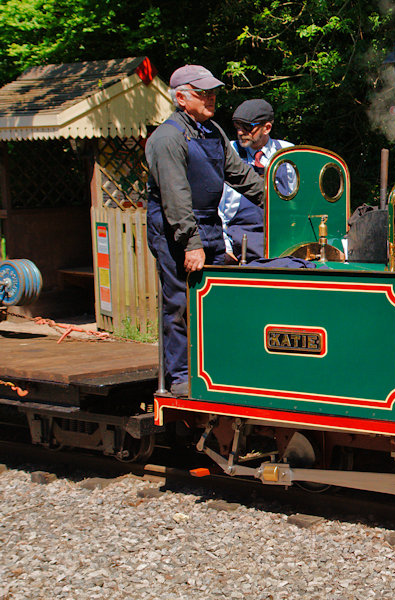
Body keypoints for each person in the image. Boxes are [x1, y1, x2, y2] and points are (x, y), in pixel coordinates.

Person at [145, 65, 265, 397]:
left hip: (209, 224)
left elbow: (240, 175)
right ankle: (181, 376)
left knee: (221, 295)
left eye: (213, 93)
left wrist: (280, 203)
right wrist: (191, 243)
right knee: (180, 301)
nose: (211, 99)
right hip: (175, 229)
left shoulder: (212, 131)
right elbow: (175, 196)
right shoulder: (167, 138)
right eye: (203, 93)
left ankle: (216, 366)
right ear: (181, 97)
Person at [219, 99, 293, 263]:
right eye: (238, 126)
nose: (240, 132)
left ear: (267, 128)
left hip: (283, 246)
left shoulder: (289, 154)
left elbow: (297, 207)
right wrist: (225, 249)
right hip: (239, 248)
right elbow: (217, 210)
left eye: (247, 127)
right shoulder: (228, 153)